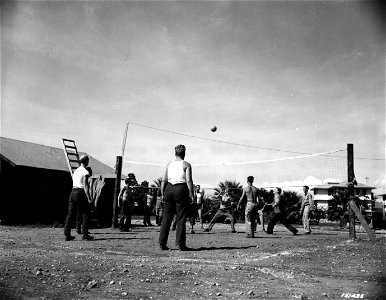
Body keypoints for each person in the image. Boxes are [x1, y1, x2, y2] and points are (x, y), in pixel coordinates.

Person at [158, 144, 194, 251]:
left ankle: (162, 243)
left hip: (169, 188)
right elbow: (189, 181)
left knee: (166, 218)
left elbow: (163, 180)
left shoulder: (169, 164)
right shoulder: (186, 164)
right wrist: (191, 194)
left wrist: (162, 193)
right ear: (184, 153)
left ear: (175, 153)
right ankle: (180, 244)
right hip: (181, 189)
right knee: (181, 217)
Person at [64, 155, 94, 241]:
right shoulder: (85, 172)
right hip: (80, 192)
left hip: (73, 192)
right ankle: (85, 234)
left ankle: (67, 234)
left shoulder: (76, 171)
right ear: (86, 162)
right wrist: (88, 197)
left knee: (70, 214)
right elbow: (85, 185)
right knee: (86, 213)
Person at [76, 166, 93, 234]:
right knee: (86, 214)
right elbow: (87, 188)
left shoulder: (80, 178)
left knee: (79, 213)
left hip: (78, 195)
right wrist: (89, 198)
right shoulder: (88, 179)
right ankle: (84, 230)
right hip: (84, 196)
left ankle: (78, 228)